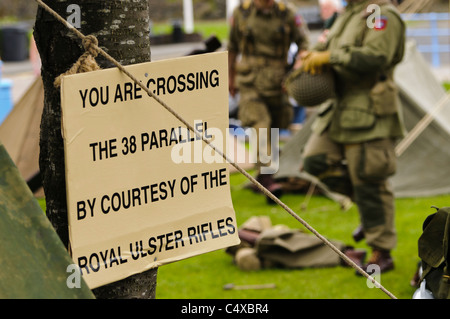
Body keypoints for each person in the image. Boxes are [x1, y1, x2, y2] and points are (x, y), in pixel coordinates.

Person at [299, 0, 406, 274]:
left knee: (369, 180)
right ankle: (368, 213)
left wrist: (331, 57)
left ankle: (382, 253)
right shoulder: (349, 14)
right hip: (339, 107)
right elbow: (326, 47)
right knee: (314, 160)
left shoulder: (380, 14)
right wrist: (312, 56)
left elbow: (375, 57)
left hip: (370, 109)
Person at [228, 0, 309, 203]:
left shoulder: (287, 13)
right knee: (260, 125)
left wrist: (297, 67)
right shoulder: (242, 13)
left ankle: (264, 176)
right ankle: (268, 179)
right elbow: (232, 47)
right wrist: (230, 76)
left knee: (275, 128)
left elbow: (304, 43)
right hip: (250, 82)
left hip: (278, 82)